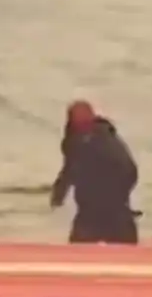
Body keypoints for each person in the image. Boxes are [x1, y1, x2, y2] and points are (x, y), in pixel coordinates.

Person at [51, 101, 139, 244]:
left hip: (115, 211)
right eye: (78, 125)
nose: (81, 129)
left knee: (126, 252)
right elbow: (69, 169)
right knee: (77, 251)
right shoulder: (73, 141)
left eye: (84, 124)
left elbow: (130, 170)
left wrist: (117, 194)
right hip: (88, 213)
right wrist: (58, 194)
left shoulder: (107, 140)